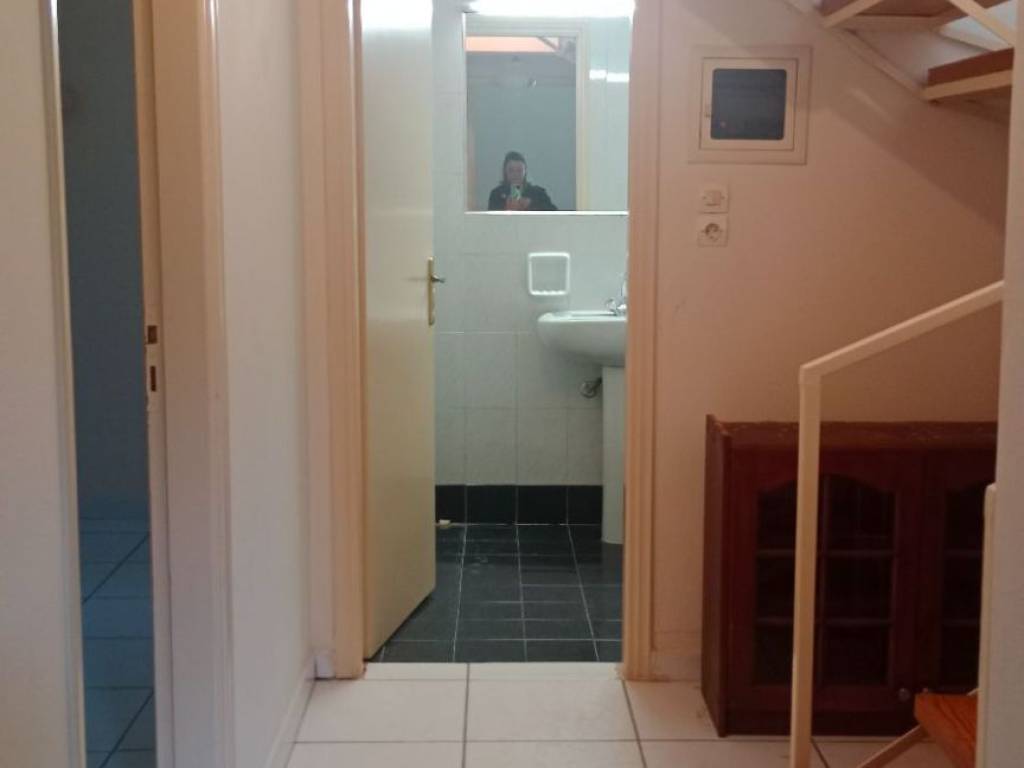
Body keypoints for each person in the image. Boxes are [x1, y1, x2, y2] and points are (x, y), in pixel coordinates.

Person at [487, 151, 557, 212]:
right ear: (505, 172)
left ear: (525, 172)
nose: (515, 174)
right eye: (511, 170)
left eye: (519, 170)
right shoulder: (496, 194)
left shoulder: (538, 193)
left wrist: (531, 204)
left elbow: (554, 213)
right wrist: (506, 208)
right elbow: (491, 219)